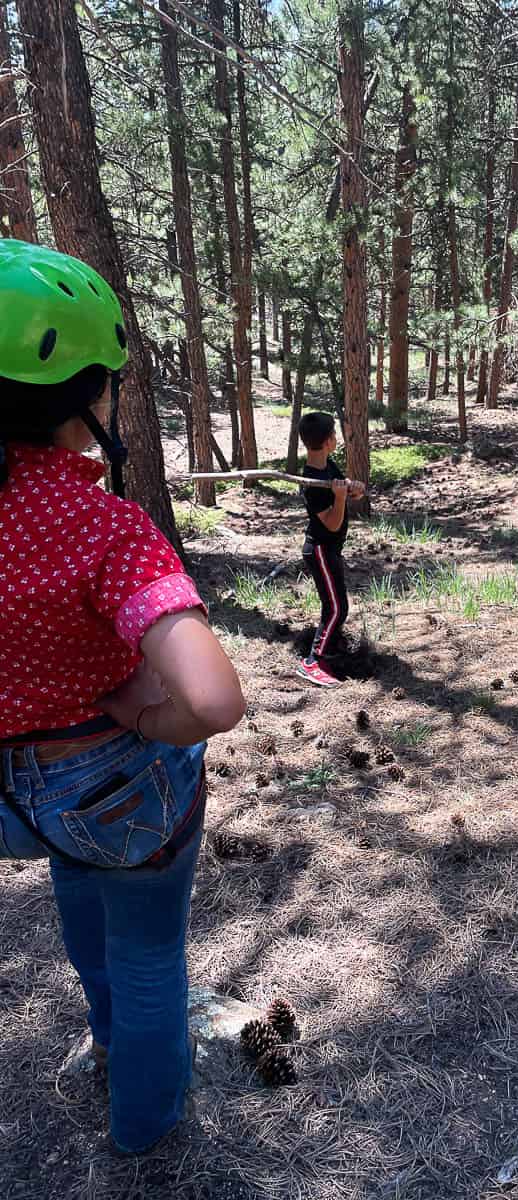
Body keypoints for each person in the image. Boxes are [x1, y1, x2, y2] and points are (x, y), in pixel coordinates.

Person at [0, 240, 245, 1154]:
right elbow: (214, 699)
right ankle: (146, 1128)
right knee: (150, 961)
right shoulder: (103, 526)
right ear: (84, 403)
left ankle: (103, 1039)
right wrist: (147, 717)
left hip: (19, 802)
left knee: (79, 884)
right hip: (115, 791)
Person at [296, 411, 365, 688]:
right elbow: (334, 524)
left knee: (337, 605)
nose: (337, 439)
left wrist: (353, 489)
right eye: (334, 435)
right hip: (321, 550)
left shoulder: (328, 467)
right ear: (327, 441)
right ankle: (314, 660)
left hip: (331, 550)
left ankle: (330, 647)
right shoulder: (311, 481)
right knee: (336, 608)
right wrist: (339, 498)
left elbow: (346, 489)